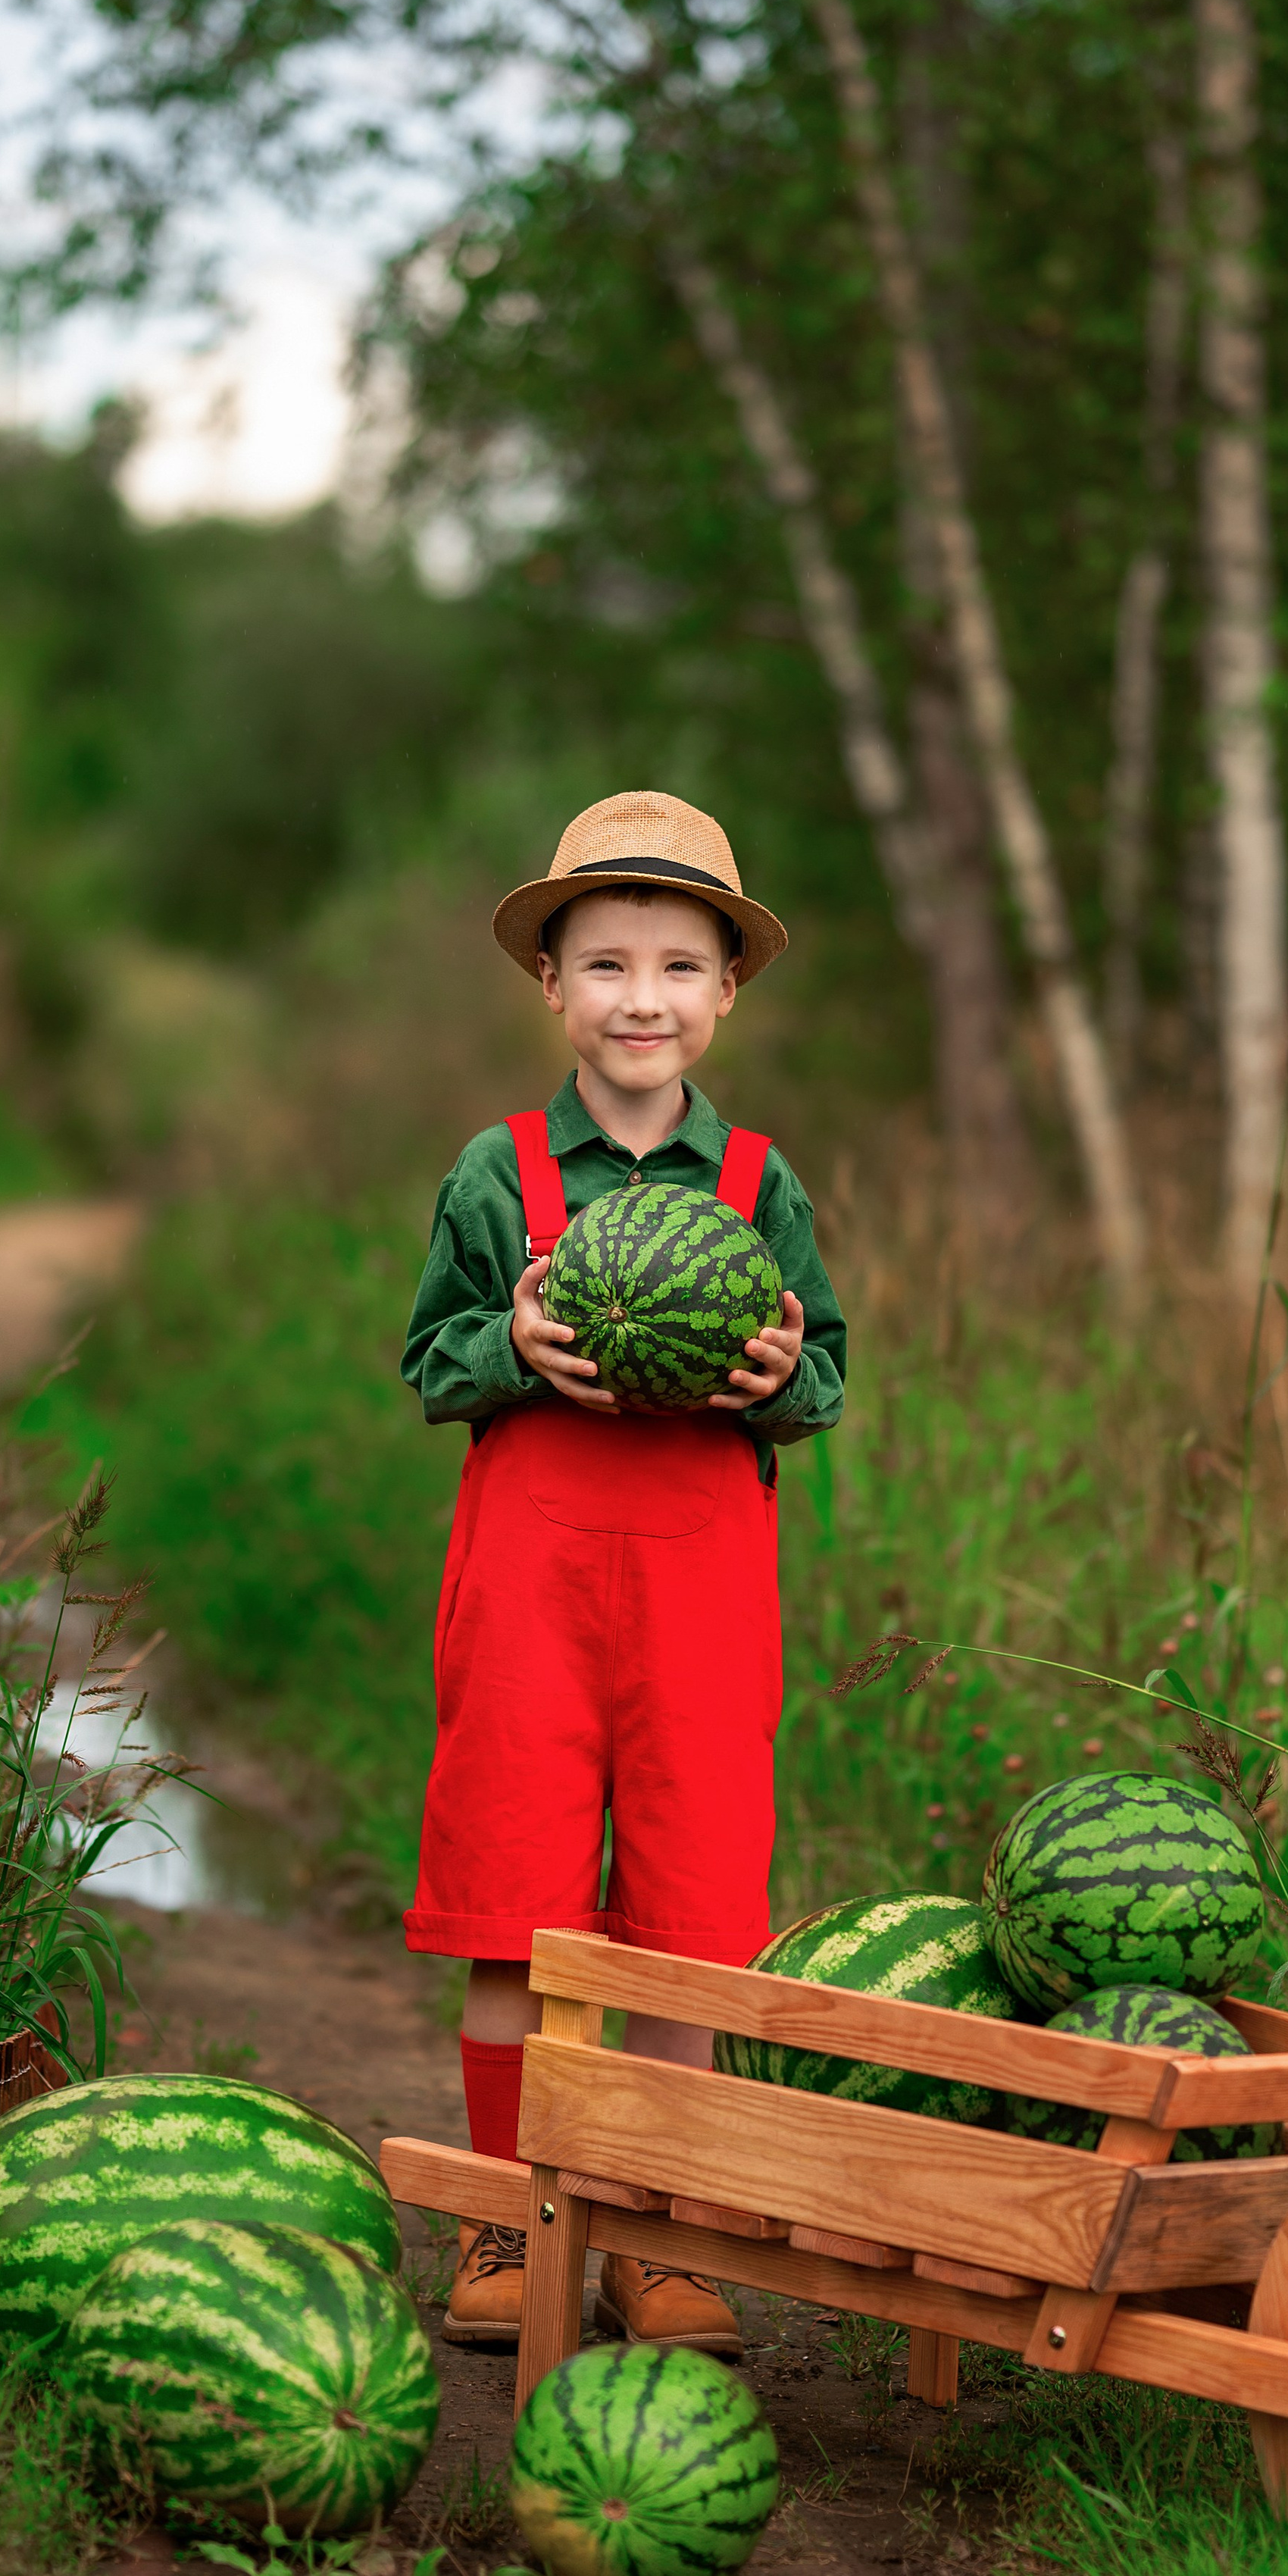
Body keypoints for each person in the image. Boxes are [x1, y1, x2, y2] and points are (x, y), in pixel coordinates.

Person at [400, 790, 847, 2355]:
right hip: (529, 1593)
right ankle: (505, 2220)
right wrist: (507, 1343)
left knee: (687, 1924)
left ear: (726, 991)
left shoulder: (759, 1187)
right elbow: (428, 1357)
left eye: (674, 965)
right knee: (512, 1912)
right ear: (551, 984)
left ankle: (662, 2240)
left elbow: (825, 1368)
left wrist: (776, 1373)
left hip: (700, 1608)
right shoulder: (496, 1168)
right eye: (604, 963)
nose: (638, 997)